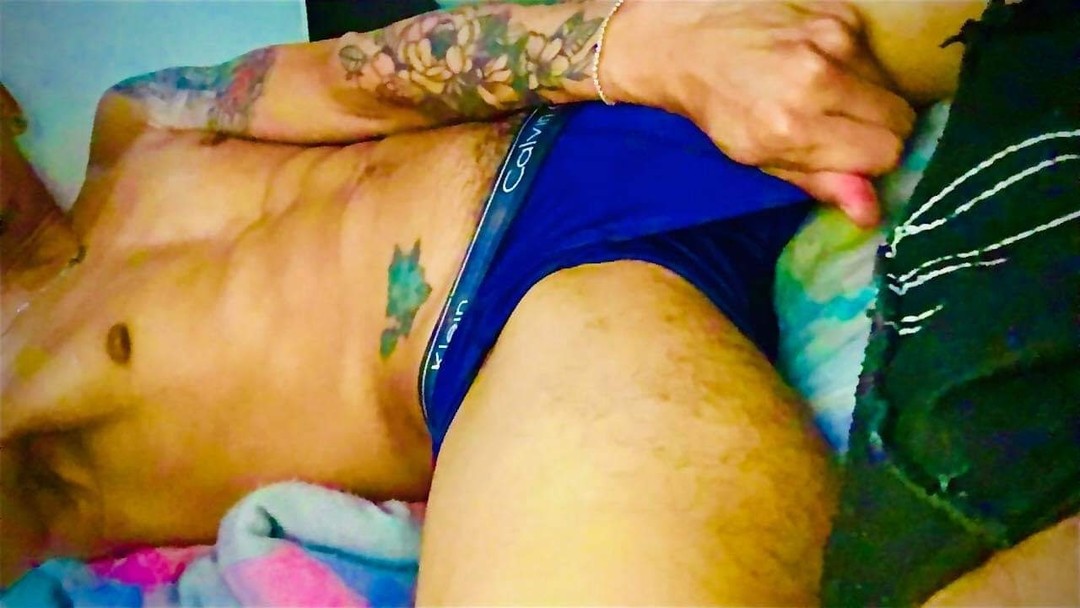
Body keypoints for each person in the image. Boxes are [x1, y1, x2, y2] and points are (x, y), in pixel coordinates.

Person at [2, 0, 1071, 604]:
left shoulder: (136, 120)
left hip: (611, 116)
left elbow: (361, 75)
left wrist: (646, 45)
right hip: (539, 324)